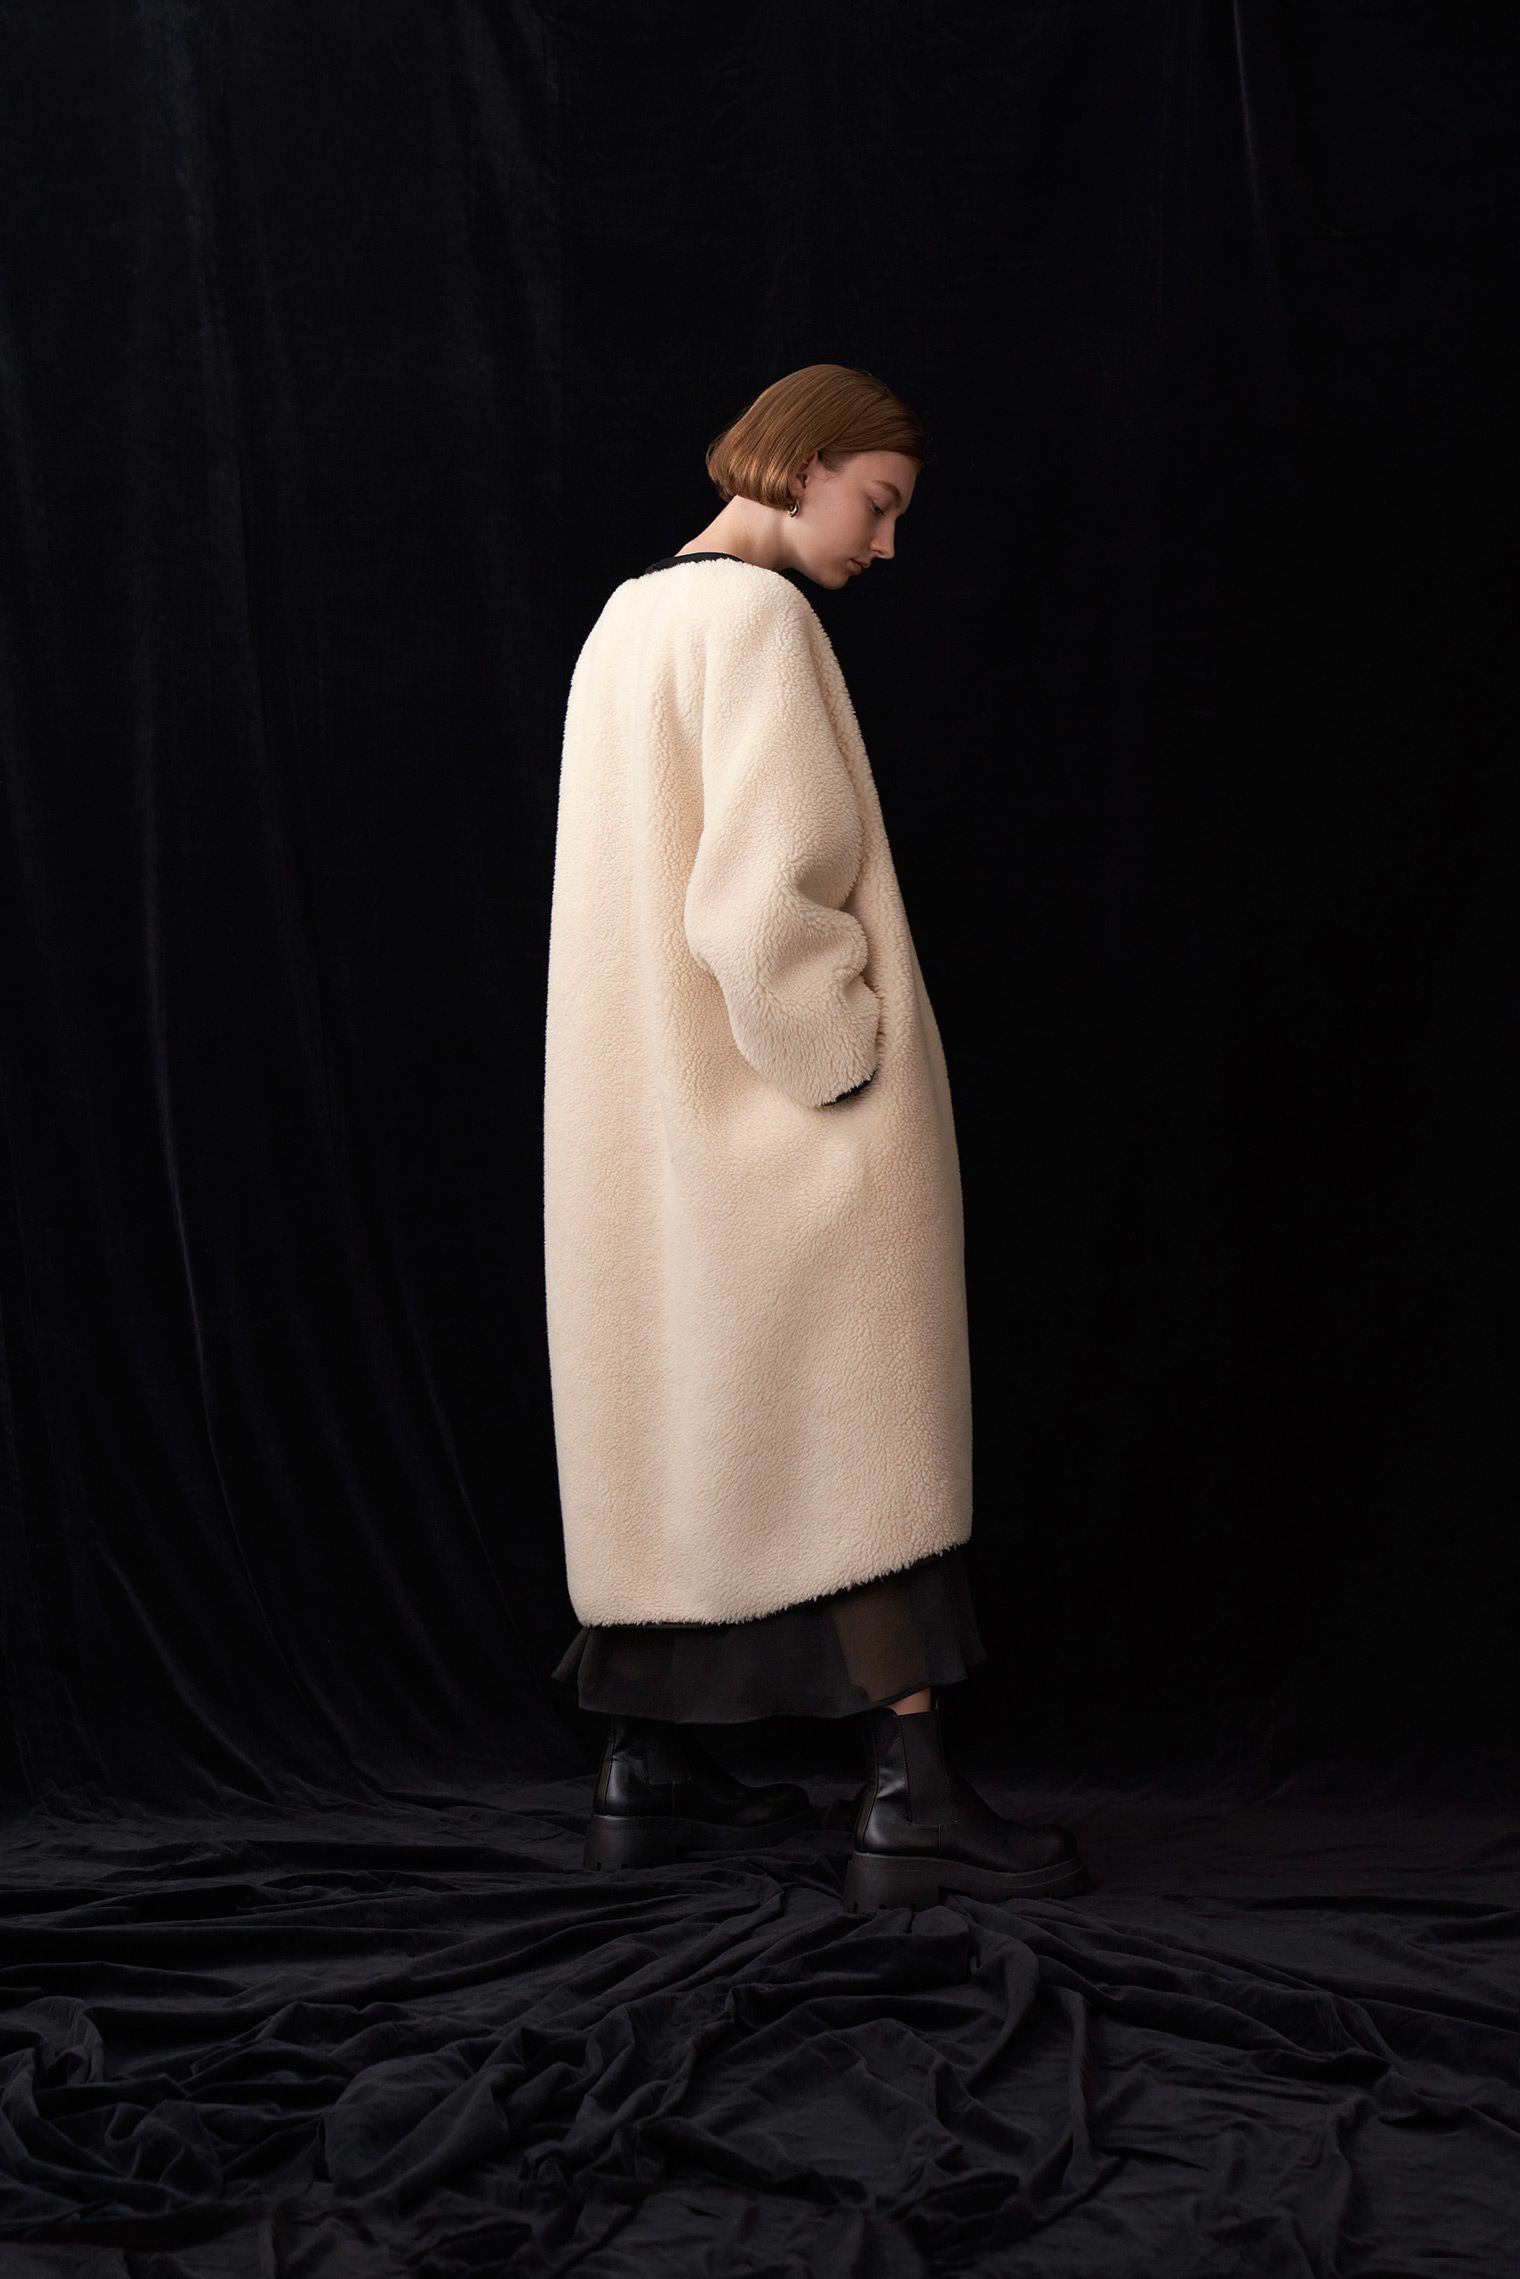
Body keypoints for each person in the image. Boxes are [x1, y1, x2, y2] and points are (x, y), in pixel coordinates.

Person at [545, 365, 1084, 1909]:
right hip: (780, 1107)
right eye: (880, 503)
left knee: (684, 1426)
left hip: (650, 1122)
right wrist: (840, 1054)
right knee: (869, 1431)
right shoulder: (757, 621)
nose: (888, 544)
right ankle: (912, 1798)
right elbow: (763, 895)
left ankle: (644, 1775)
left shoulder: (625, 621)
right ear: (808, 462)